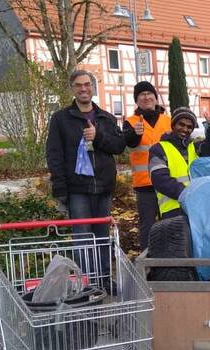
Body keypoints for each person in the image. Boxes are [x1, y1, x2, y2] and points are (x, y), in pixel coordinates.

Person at [46, 70, 125, 285]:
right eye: (78, 85)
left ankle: (105, 279)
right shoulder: (61, 119)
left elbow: (119, 146)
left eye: (87, 84)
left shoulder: (106, 118)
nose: (83, 89)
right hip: (77, 189)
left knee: (102, 237)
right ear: (72, 88)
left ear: (93, 87)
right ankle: (88, 282)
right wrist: (60, 188)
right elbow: (54, 155)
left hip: (103, 187)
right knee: (82, 238)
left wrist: (98, 136)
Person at [123, 81, 171, 250]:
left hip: (168, 182)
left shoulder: (168, 120)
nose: (146, 97)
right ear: (136, 100)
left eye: (149, 93)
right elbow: (129, 142)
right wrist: (135, 134)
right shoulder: (130, 122)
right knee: (148, 228)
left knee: (170, 225)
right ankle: (148, 266)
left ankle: (171, 263)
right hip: (145, 185)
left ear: (155, 98)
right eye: (141, 94)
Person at [149, 107, 209, 219]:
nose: (185, 129)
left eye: (189, 127)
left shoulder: (193, 147)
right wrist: (187, 193)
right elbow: (159, 179)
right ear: (173, 125)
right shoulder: (158, 149)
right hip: (173, 210)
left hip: (196, 207)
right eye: (181, 124)